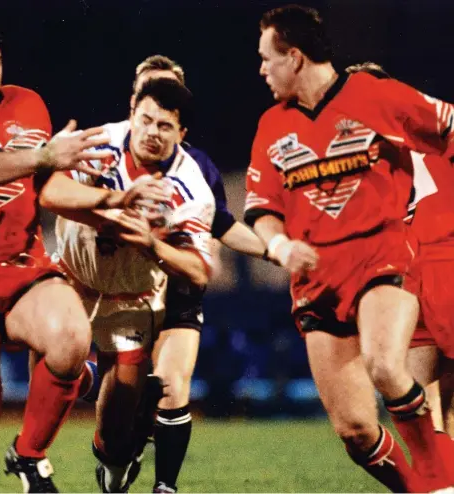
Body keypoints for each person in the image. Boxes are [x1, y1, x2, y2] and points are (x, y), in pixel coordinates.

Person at [0, 19, 167, 493]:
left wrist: (107, 204)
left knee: (70, 338)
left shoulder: (29, 104)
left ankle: (29, 457)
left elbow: (48, 189)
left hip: (23, 262)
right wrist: (43, 156)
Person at [246, 5, 454, 491]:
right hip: (316, 278)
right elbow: (260, 207)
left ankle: (440, 483)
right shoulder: (271, 126)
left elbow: (446, 125)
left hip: (384, 255)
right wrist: (278, 245)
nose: (260, 69)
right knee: (355, 429)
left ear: (294, 56)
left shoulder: (375, 95)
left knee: (386, 365)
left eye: (266, 58)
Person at [55, 77, 216, 493]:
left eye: (165, 126)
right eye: (145, 120)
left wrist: (151, 243)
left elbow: (199, 270)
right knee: (52, 355)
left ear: (182, 134)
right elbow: (50, 193)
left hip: (131, 299)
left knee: (114, 432)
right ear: (132, 112)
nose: (151, 132)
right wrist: (113, 205)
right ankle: (82, 382)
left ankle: (113, 474)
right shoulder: (100, 143)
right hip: (73, 278)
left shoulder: (191, 188)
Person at [124, 55, 269, 494]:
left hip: (178, 289)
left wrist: (272, 249)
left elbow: (219, 224)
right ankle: (119, 452)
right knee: (123, 397)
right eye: (151, 90)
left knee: (171, 384)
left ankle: (164, 486)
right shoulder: (107, 152)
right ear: (134, 100)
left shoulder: (198, 168)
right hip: (121, 291)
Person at [345, 61, 454, 476]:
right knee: (431, 396)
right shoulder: (429, 128)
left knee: (426, 397)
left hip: (415, 272)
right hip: (426, 268)